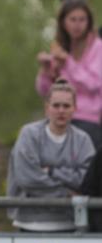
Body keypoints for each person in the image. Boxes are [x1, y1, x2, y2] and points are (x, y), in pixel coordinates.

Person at [8, 80, 95, 232]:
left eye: (66, 106)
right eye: (56, 105)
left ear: (74, 108)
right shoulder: (29, 135)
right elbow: (27, 179)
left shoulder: (83, 140)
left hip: (70, 224)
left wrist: (52, 171)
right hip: (31, 224)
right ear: (47, 108)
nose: (61, 110)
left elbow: (88, 180)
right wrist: (67, 195)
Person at [36, 0, 102, 147]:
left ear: (89, 22)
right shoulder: (60, 46)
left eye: (82, 20)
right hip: (58, 118)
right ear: (63, 22)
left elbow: (93, 84)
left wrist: (68, 63)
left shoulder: (97, 47)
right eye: (72, 19)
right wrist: (45, 70)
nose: (77, 25)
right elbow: (44, 91)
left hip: (87, 120)